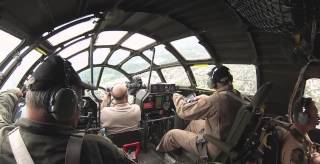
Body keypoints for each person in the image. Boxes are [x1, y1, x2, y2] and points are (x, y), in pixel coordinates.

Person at [0, 55, 134, 164]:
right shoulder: (97, 148)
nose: (79, 109)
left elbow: (2, 108)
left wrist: (14, 92)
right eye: (78, 102)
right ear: (65, 104)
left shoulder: (3, 139)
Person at [156, 65, 244, 159]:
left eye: (211, 78)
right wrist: (207, 98)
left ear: (214, 82)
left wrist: (175, 96)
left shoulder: (216, 100)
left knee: (171, 134)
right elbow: (219, 101)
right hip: (225, 137)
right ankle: (180, 145)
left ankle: (157, 152)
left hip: (212, 147)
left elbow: (183, 111)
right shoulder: (236, 94)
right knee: (194, 123)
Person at [281, 97, 320, 164]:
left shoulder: (299, 132)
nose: (318, 120)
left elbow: (310, 147)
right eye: (316, 115)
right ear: (303, 118)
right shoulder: (297, 151)